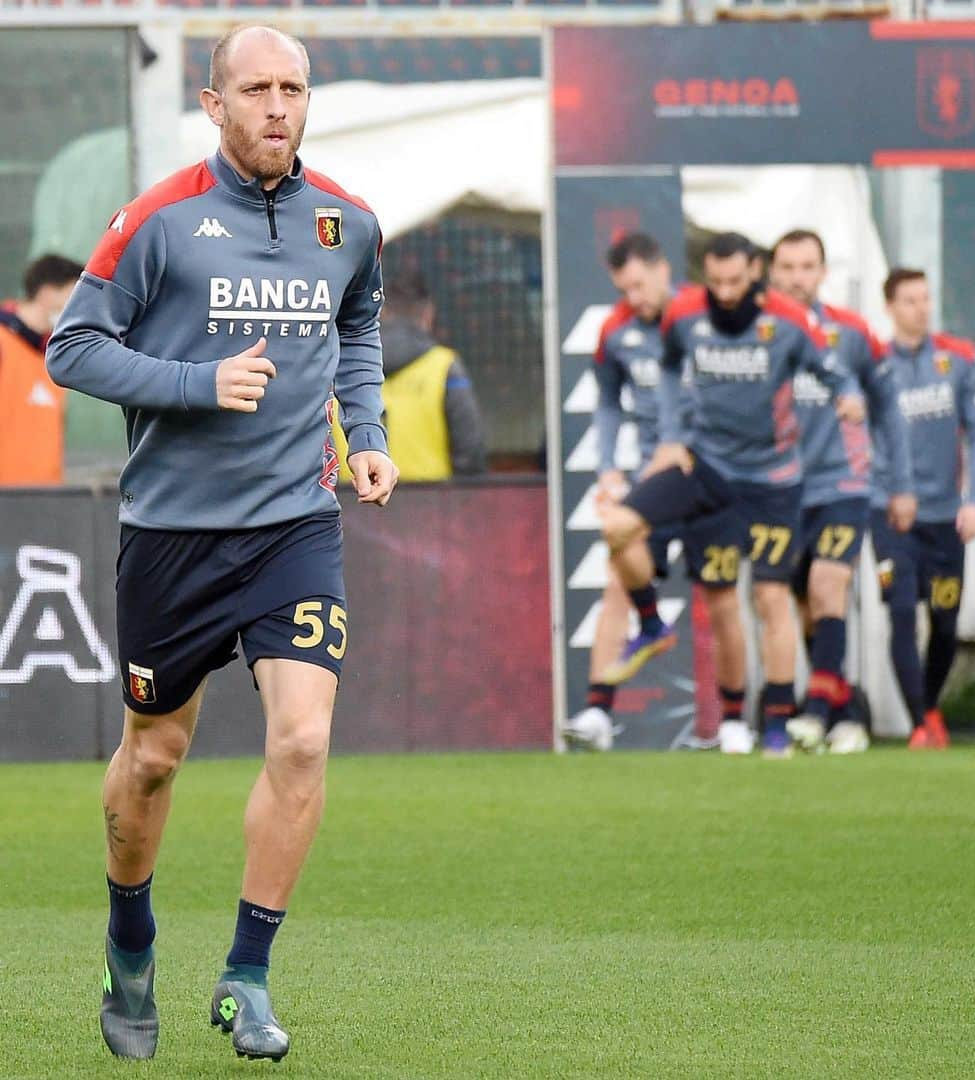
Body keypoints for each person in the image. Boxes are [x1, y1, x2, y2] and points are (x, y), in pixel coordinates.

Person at [46, 25, 398, 1062]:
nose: (278, 106)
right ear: (214, 103)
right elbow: (73, 347)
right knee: (154, 758)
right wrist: (199, 386)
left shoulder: (351, 222)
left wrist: (366, 437)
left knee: (301, 740)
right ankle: (129, 935)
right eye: (256, 89)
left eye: (294, 87)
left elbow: (361, 326)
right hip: (173, 536)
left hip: (296, 522)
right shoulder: (159, 220)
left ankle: (247, 974)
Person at [600, 231, 864, 758]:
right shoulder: (684, 315)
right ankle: (652, 624)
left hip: (772, 482)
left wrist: (850, 397)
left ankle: (776, 725)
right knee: (617, 527)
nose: (724, 291)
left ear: (754, 274)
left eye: (735, 281)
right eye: (715, 280)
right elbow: (671, 366)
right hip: (707, 468)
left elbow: (833, 372)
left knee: (770, 598)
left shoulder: (788, 322)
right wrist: (673, 434)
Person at [562, 233, 721, 750]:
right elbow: (608, 403)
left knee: (726, 595)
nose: (635, 297)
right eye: (624, 288)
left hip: (711, 469)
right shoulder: (617, 329)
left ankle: (742, 719)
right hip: (658, 475)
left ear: (661, 269)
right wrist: (609, 468)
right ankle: (597, 713)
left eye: (638, 284)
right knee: (618, 569)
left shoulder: (705, 314)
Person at [769, 229, 916, 755]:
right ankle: (844, 712)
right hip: (779, 489)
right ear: (771, 273)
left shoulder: (852, 334)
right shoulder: (755, 335)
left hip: (843, 484)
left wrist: (900, 485)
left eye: (807, 267)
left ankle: (812, 711)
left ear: (823, 273)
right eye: (786, 267)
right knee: (806, 606)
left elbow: (889, 409)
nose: (796, 277)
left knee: (829, 587)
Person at [871, 269, 975, 749]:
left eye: (926, 298)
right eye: (909, 301)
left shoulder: (958, 360)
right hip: (888, 513)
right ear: (889, 307)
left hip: (946, 516)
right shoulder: (876, 366)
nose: (921, 308)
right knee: (901, 611)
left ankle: (929, 706)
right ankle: (921, 725)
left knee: (945, 619)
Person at [333, 267, 485, 481]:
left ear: (382, 312)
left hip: (354, 500)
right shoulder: (445, 367)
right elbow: (470, 452)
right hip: (433, 504)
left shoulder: (342, 366)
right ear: (428, 314)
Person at [0, 254, 82, 485]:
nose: (78, 309)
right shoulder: (4, 342)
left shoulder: (52, 357)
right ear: (46, 292)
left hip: (45, 502)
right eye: (73, 296)